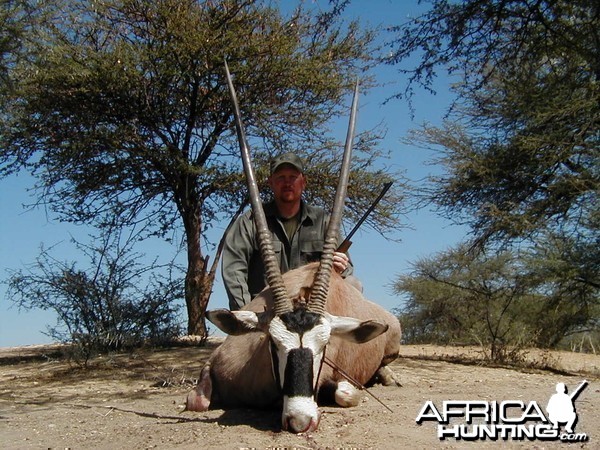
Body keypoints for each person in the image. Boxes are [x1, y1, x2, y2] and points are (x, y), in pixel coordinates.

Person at [222, 152, 356, 310]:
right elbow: (234, 270)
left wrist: (341, 267)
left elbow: (348, 269)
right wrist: (245, 313)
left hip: (311, 308)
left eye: (293, 177)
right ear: (270, 182)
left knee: (354, 284)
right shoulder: (249, 222)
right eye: (280, 177)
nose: (287, 183)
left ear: (303, 182)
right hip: (268, 308)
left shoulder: (323, 220)